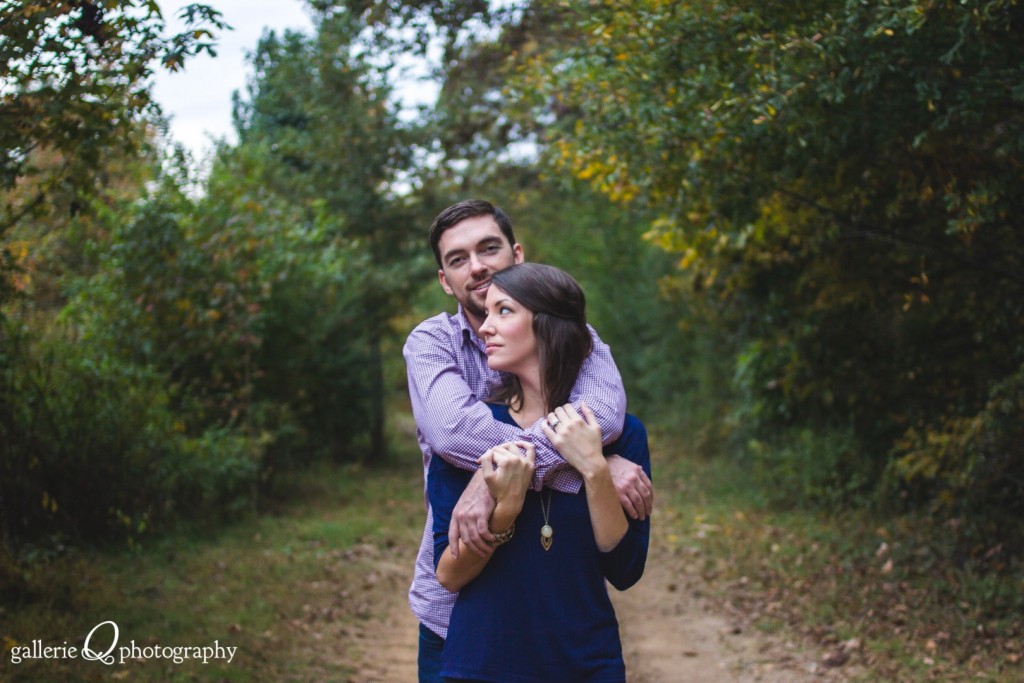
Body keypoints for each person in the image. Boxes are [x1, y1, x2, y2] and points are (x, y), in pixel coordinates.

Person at [404, 200, 654, 682]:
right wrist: (504, 470)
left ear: (518, 256)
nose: (476, 266)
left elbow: (604, 413)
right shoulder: (432, 343)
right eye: (458, 259)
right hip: (456, 617)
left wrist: (598, 460)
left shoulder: (577, 337)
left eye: (489, 248)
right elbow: (454, 433)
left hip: (574, 643)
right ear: (444, 279)